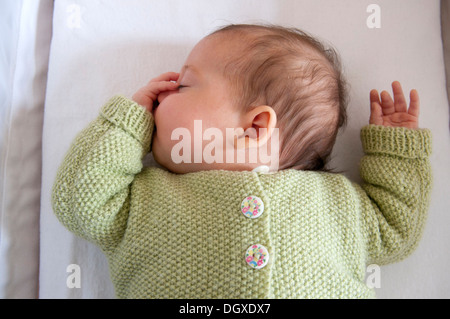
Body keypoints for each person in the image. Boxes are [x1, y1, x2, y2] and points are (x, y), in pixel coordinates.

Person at [52, 24, 432, 298]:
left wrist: (393, 149)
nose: (162, 95)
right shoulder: (143, 198)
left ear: (254, 126)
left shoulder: (337, 202)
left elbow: (395, 229)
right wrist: (127, 122)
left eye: (183, 85)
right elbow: (80, 201)